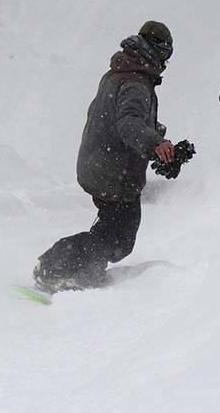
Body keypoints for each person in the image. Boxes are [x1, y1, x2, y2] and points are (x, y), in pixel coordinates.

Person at [33, 21, 179, 293]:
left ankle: (72, 265)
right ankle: (56, 266)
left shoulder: (120, 73)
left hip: (101, 164)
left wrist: (158, 142)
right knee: (119, 238)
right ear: (154, 51)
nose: (165, 62)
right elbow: (129, 124)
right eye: (165, 55)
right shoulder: (135, 82)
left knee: (113, 229)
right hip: (114, 171)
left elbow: (121, 120)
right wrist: (156, 144)